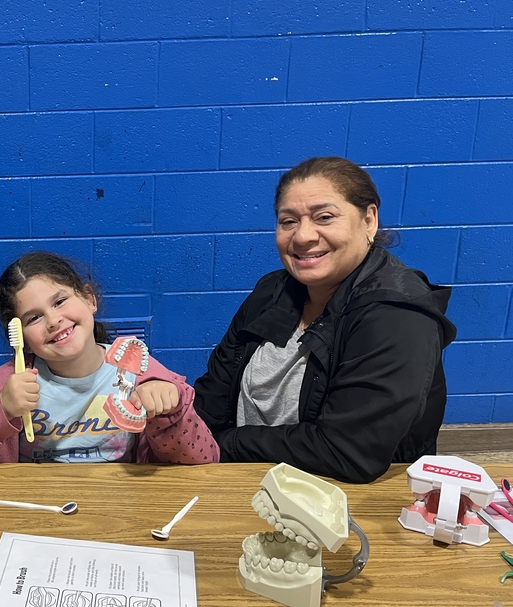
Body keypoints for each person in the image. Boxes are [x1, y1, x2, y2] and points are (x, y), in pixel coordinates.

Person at [194, 156, 456, 483]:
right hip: (246, 477)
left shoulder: (397, 314)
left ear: (369, 221)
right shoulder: (271, 290)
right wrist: (190, 442)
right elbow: (213, 396)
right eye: (288, 221)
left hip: (346, 498)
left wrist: (224, 446)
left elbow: (347, 452)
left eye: (325, 217)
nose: (303, 236)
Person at [0, 251, 219, 466]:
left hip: (124, 506)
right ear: (20, 337)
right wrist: (0, 409)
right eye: (34, 317)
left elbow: (206, 461)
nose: (54, 320)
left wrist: (170, 412)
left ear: (89, 300)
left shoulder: (139, 374)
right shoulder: (1, 388)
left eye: (59, 302)